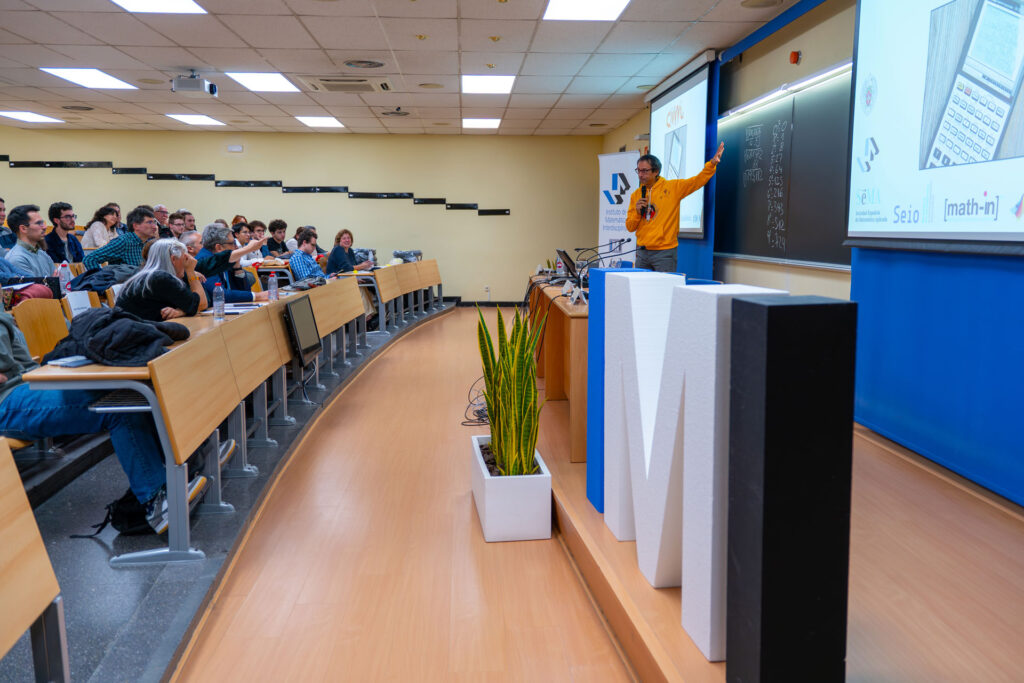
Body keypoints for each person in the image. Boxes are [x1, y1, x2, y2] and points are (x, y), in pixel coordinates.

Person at [0, 310, 171, 530]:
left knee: (127, 393)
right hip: (8, 400)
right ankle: (155, 501)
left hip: (27, 384)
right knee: (117, 407)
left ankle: (166, 484)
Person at [626, 142, 725, 273]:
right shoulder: (636, 195)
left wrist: (712, 164)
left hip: (664, 252)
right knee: (640, 290)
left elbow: (696, 181)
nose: (640, 174)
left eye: (644, 171)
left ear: (656, 171)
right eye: (638, 170)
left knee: (664, 289)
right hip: (642, 252)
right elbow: (630, 227)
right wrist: (637, 212)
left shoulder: (672, 188)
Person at [116, 238, 207, 321]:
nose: (186, 263)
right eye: (185, 258)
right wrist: (190, 271)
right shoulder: (160, 278)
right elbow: (201, 304)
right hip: (137, 334)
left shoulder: (149, 276)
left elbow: (197, 304)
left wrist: (181, 311)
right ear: (173, 259)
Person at [195, 223, 269, 303]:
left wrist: (237, 269)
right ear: (218, 247)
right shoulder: (205, 261)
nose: (236, 247)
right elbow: (220, 295)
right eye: (232, 243)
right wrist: (257, 296)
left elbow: (244, 291)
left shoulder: (224, 259)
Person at [83, 206, 159, 269]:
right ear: (136, 226)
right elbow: (90, 259)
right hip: (123, 285)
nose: (154, 227)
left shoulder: (147, 243)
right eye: (149, 222)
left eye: (154, 222)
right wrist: (101, 280)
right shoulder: (123, 242)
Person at [4, 204, 56, 277]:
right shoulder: (17, 258)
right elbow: (35, 288)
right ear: (23, 228)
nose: (45, 227)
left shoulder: (42, 254)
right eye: (39, 223)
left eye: (43, 222)